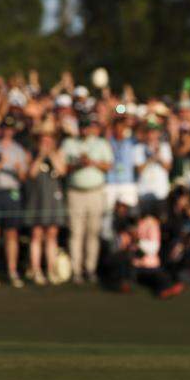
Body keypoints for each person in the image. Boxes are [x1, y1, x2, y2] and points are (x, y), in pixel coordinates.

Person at [62, 115, 113, 283]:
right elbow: (62, 168)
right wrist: (78, 163)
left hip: (95, 192)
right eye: (82, 127)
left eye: (87, 127)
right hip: (75, 193)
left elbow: (109, 166)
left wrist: (92, 163)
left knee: (93, 233)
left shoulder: (101, 143)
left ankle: (90, 269)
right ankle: (76, 270)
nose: (84, 130)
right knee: (76, 232)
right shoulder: (69, 143)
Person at [0, 117, 30, 288]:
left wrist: (18, 171)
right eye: (4, 128)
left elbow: (24, 177)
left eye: (10, 128)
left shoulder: (18, 150)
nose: (7, 131)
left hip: (12, 192)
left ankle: (12, 271)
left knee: (12, 234)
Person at [25, 121, 69, 285]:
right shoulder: (32, 153)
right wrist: (41, 156)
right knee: (36, 235)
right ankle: (36, 270)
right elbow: (31, 173)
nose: (47, 142)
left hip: (53, 198)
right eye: (44, 139)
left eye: (49, 139)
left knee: (52, 235)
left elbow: (62, 171)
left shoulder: (58, 153)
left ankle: (51, 270)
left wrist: (51, 154)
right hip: (37, 198)